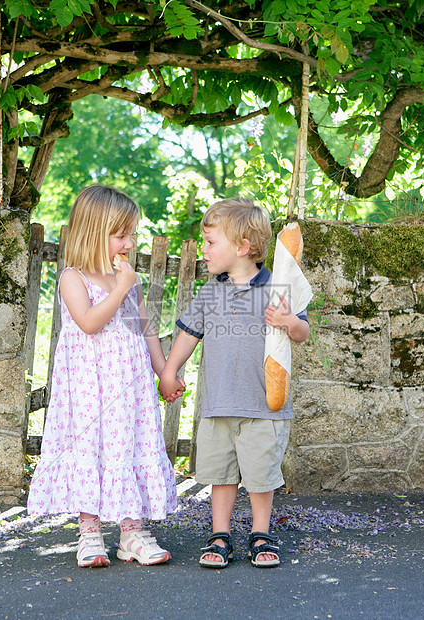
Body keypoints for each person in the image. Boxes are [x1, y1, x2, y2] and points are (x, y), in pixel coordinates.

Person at [28, 185, 179, 568]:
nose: (129, 243)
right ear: (94, 233)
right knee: (90, 449)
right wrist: (123, 286)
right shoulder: (72, 278)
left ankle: (132, 533)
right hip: (88, 388)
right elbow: (91, 323)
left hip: (129, 386)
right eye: (121, 234)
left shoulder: (131, 282)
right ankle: (90, 533)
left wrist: (165, 373)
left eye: (131, 233)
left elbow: (146, 332)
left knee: (129, 445)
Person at [159, 198, 310, 569]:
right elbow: (188, 335)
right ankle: (220, 534)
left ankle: (261, 533)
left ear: (242, 247)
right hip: (218, 403)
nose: (204, 251)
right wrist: (169, 370)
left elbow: (302, 333)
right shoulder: (211, 292)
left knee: (260, 477)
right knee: (221, 476)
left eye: (211, 243)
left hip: (263, 406)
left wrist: (288, 321)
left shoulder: (279, 287)